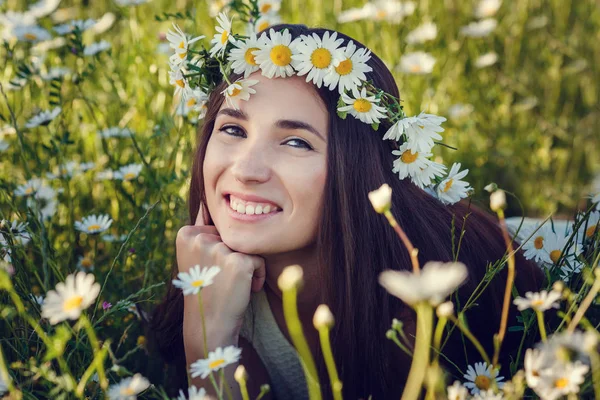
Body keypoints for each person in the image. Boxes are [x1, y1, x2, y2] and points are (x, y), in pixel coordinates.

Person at [149, 23, 544, 399]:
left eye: (296, 143)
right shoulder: (215, 279)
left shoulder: (418, 298)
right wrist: (207, 335)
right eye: (233, 130)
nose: (246, 171)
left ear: (356, 170)